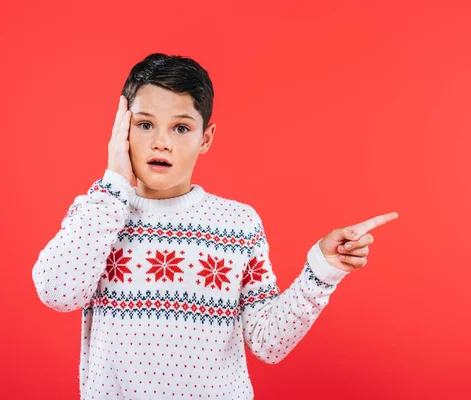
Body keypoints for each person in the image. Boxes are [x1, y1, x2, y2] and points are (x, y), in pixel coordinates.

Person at [32, 53, 398, 400]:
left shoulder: (238, 225)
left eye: (181, 128)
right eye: (145, 125)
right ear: (122, 130)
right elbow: (58, 293)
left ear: (205, 138)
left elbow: (268, 343)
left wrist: (322, 268)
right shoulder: (99, 213)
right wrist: (114, 182)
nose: (161, 142)